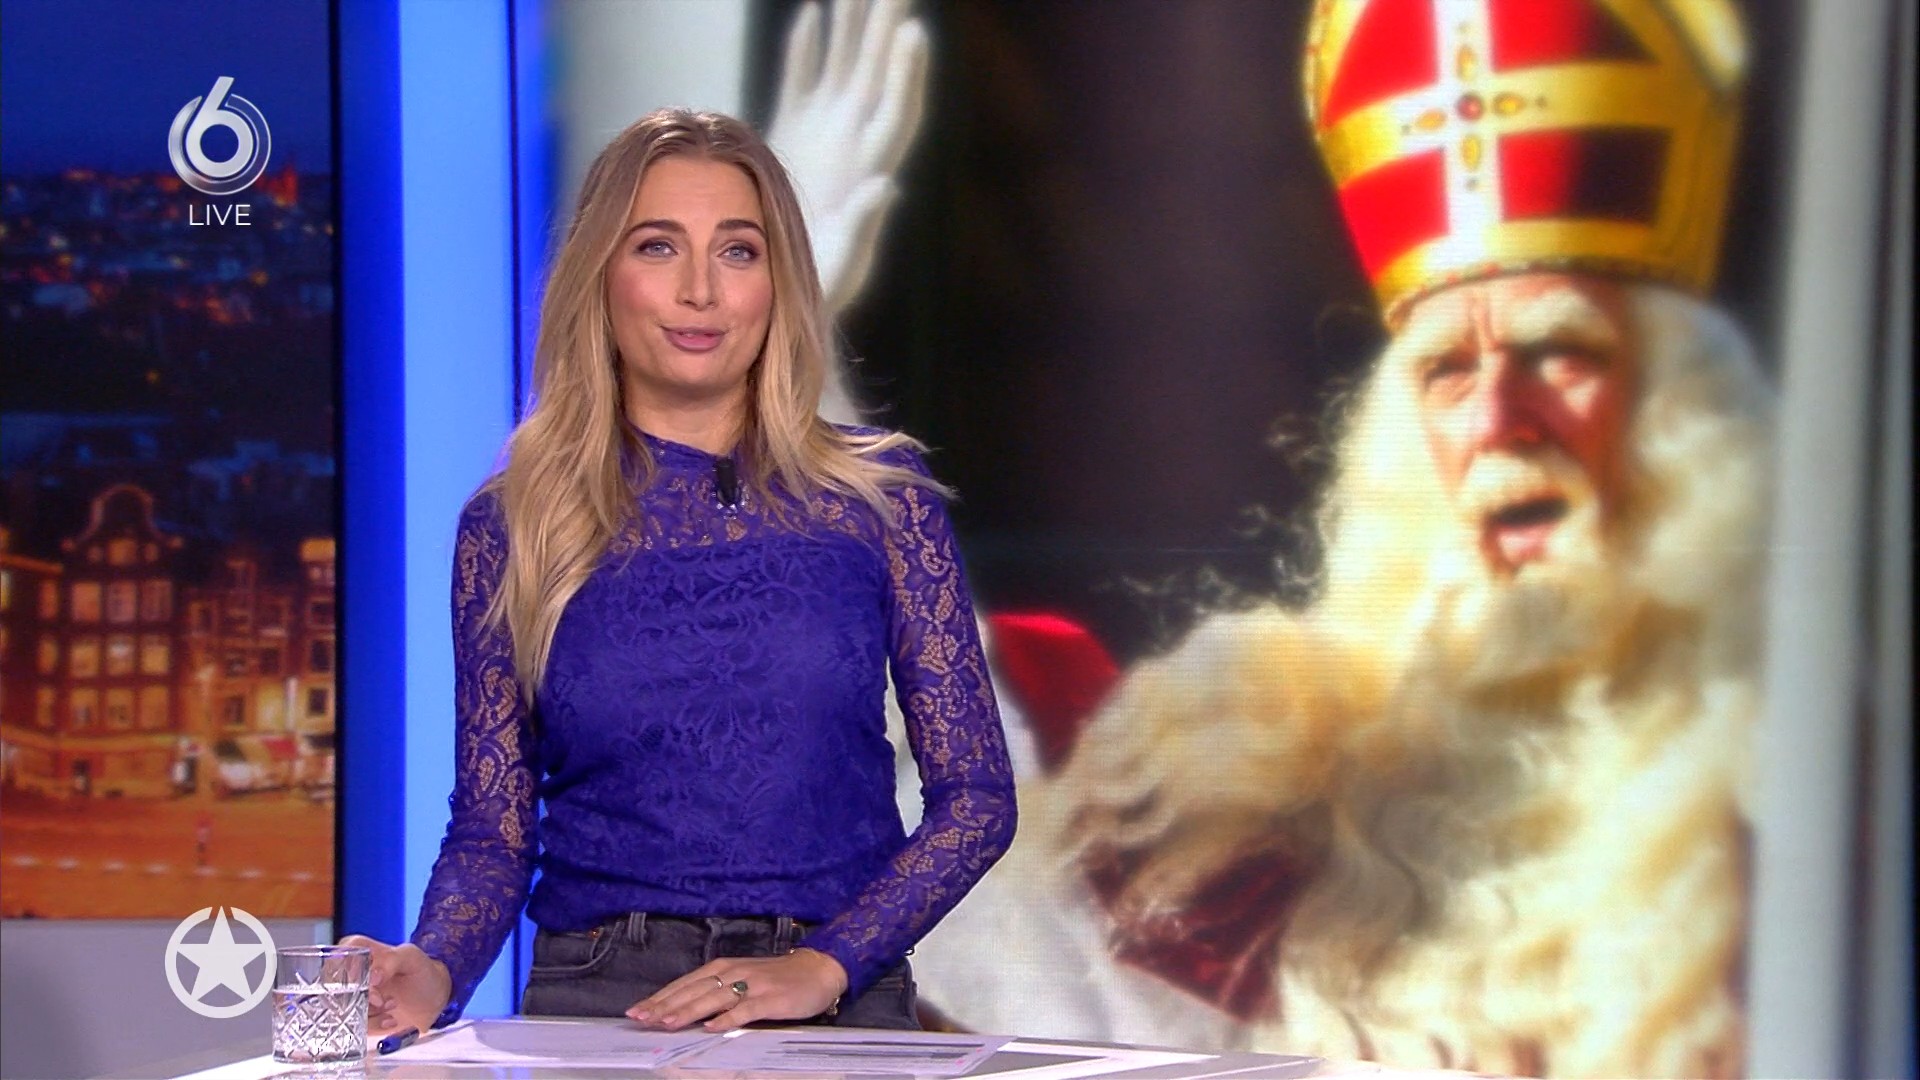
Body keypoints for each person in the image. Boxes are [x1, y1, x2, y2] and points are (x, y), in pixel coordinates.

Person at [912, 2, 1770, 1076]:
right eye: (1447, 372)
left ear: (1681, 418)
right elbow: (999, 935)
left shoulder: (1796, 785)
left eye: (1561, 353)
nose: (1499, 418)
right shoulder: (1256, 755)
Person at [342, 108, 1017, 1037]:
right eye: (658, 247)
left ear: (777, 283)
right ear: (600, 275)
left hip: (834, 998)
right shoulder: (514, 524)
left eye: (738, 252)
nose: (700, 290)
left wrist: (825, 965)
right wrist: (433, 964)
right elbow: (495, 830)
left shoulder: (879, 501)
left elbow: (976, 800)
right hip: (604, 999)